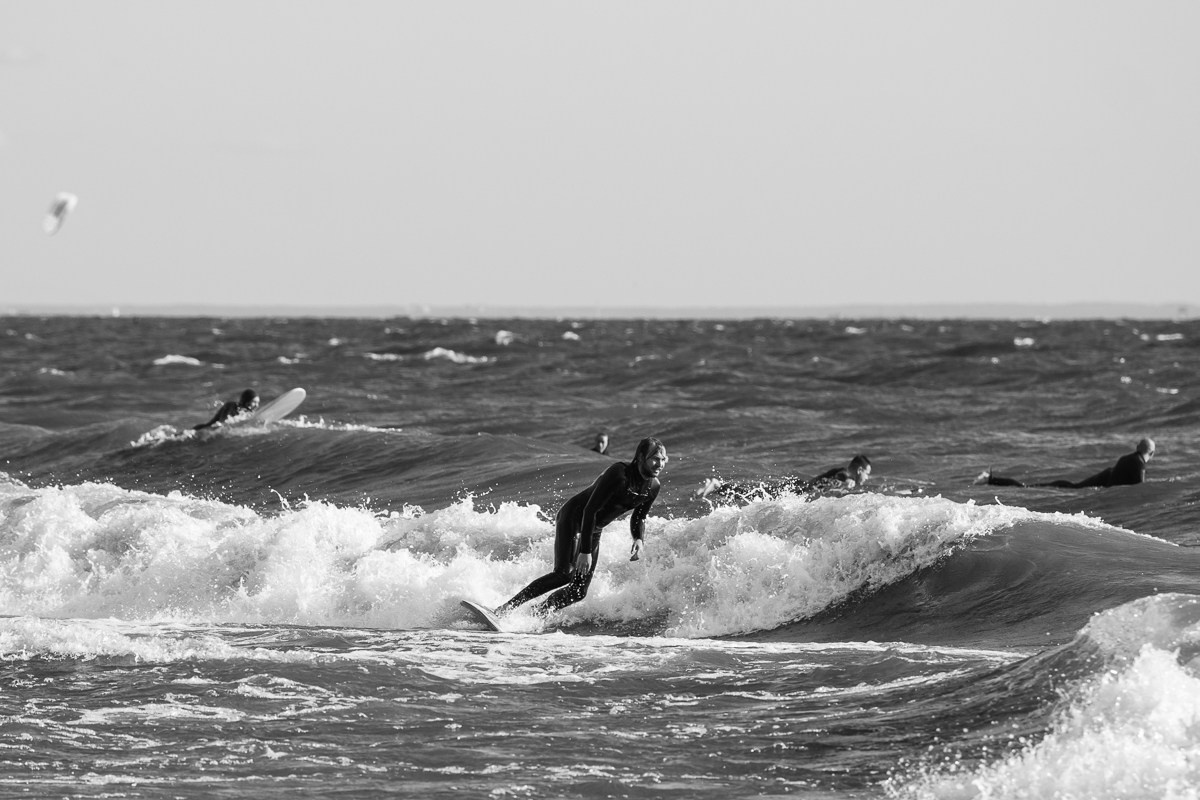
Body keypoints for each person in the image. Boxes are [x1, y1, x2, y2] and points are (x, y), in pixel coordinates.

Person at [495, 437, 667, 618]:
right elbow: (590, 510)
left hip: (593, 528)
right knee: (563, 574)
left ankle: (534, 616)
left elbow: (639, 517)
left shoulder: (653, 487)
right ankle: (505, 609)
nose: (660, 464)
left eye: (663, 459)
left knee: (578, 591)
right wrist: (585, 552)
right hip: (574, 518)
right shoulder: (619, 474)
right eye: (655, 458)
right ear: (640, 457)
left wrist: (638, 539)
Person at [974, 438, 1155, 489]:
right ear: (1152, 454)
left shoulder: (1127, 458)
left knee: (1065, 486)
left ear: (1136, 446)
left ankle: (991, 479)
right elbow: (1140, 489)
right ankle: (991, 479)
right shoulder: (1139, 464)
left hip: (1102, 479)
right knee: (1028, 487)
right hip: (1099, 483)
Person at [695, 455, 872, 503]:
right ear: (860, 469)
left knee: (756, 496)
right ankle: (719, 486)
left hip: (798, 487)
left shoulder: (840, 470)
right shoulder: (846, 475)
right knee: (756, 497)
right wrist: (846, 483)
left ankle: (719, 487)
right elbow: (842, 478)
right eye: (867, 473)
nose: (867, 477)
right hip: (799, 491)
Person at [194, 389, 259, 430]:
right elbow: (222, 421)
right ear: (246, 401)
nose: (257, 405)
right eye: (254, 402)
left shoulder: (248, 413)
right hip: (204, 429)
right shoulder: (232, 405)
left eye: (258, 403)